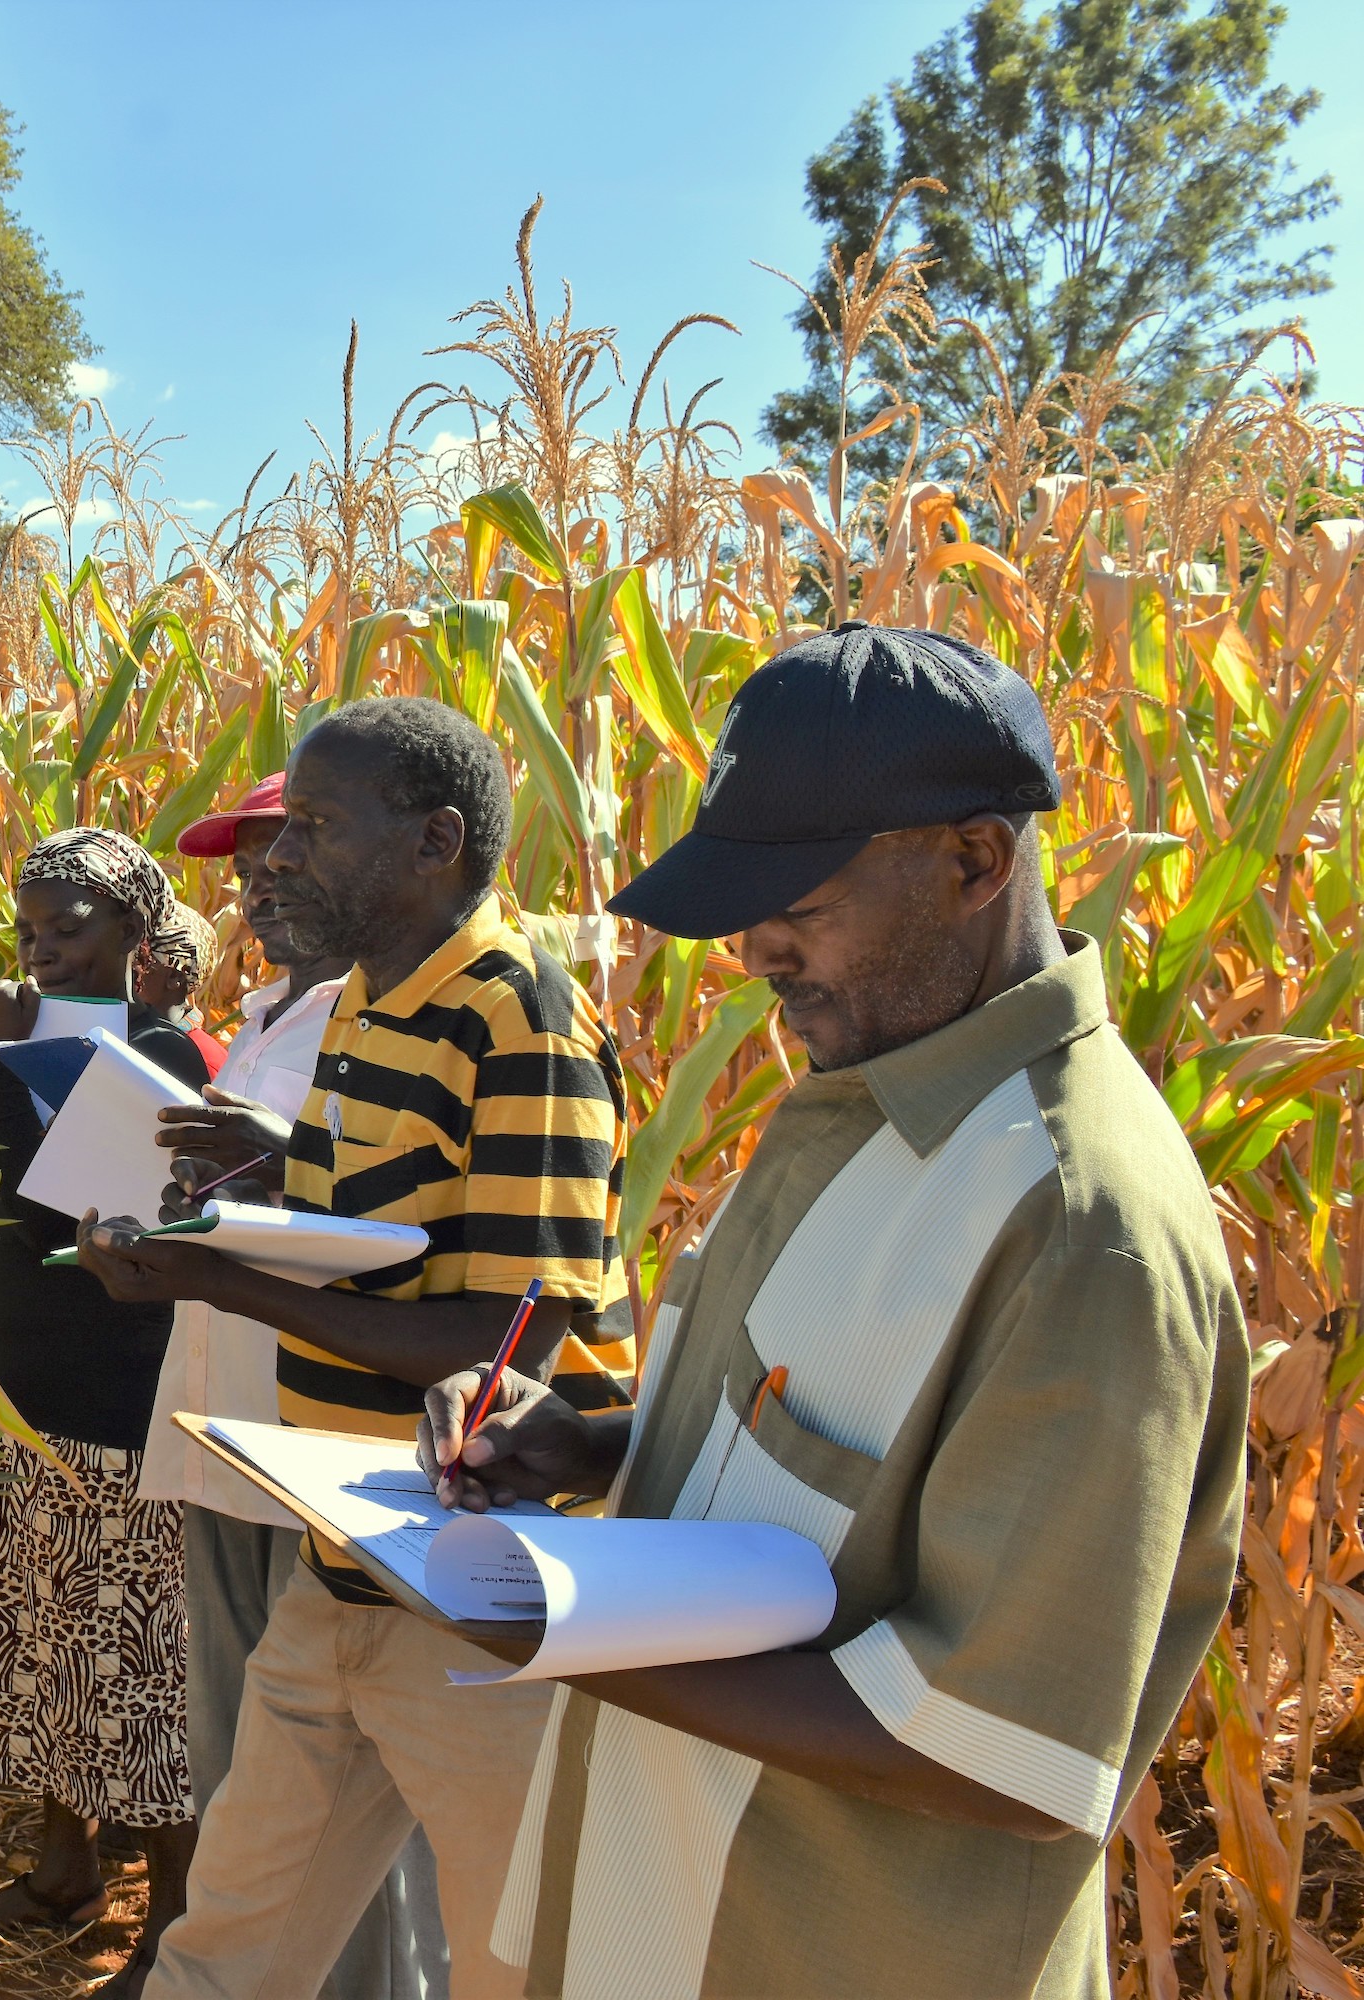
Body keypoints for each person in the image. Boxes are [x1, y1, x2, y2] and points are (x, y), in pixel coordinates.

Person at [420, 623, 1247, 1998]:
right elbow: (842, 1449)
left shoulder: (1078, 1230)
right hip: (654, 1913)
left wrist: (552, 1638)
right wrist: (597, 1442)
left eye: (796, 899)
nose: (758, 952)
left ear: (975, 861)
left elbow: (1002, 1747)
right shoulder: (873, 1091)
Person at [74, 699, 628, 2000]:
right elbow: (386, 1223)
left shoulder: (520, 1020)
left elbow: (496, 1345)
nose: (273, 862)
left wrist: (217, 1276)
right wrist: (268, 1167)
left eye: (314, 828)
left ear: (434, 841)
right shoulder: (372, 1006)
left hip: (474, 1603)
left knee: (520, 1971)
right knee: (225, 1956)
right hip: (348, 1563)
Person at [142, 771, 446, 2000]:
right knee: (244, 1754)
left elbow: (418, 1230)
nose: (260, 886)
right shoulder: (269, 1011)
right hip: (220, 1412)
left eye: (294, 851)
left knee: (340, 1773)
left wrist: (268, 1166)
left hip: (320, 1430)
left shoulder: (403, 1020)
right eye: (250, 865)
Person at [0, 827, 213, 1987]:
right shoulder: (15, 1034)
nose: (43, 949)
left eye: (71, 927)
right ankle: (64, 1859)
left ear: (135, 936)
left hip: (120, 1392)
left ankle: (177, 1908)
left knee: (135, 1652)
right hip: (21, 1381)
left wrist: (1, 1069)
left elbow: (71, 1214)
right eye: (31, 929)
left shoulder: (163, 1051)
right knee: (39, 1629)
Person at [134, 897, 227, 1074]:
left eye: (141, 958)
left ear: (174, 977)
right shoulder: (137, 1039)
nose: (128, 967)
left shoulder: (204, 1063)